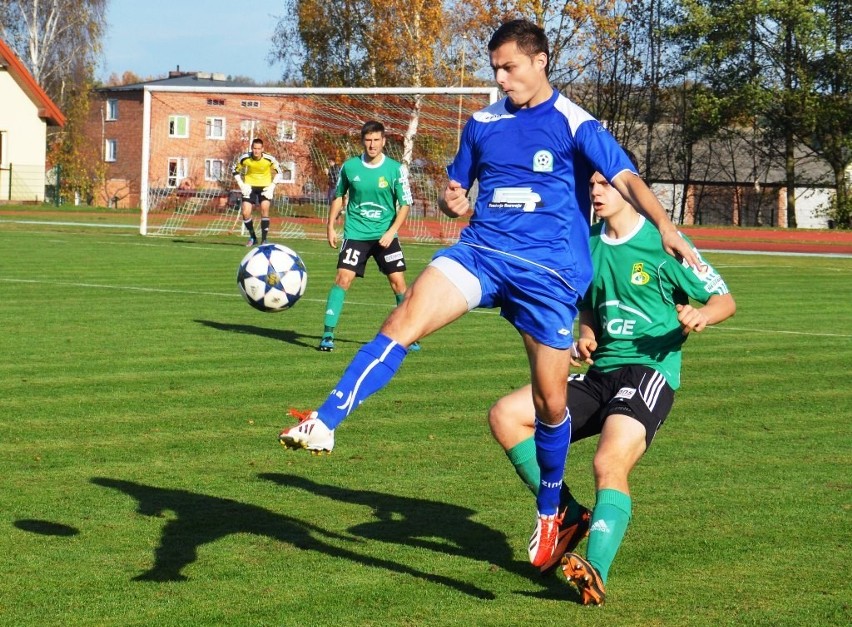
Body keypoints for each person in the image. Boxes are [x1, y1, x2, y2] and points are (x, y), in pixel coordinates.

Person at [278, 18, 700, 571]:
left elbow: (625, 177)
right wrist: (454, 201)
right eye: (495, 68)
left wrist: (664, 225)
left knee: (551, 407)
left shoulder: (574, 122)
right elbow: (459, 189)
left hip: (548, 277)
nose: (500, 78)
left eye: (510, 67)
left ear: (540, 61)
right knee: (403, 318)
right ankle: (326, 420)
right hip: (480, 253)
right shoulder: (480, 124)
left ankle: (553, 510)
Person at [488, 168, 736, 604]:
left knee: (608, 463)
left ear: (630, 188)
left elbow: (724, 299)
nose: (596, 192)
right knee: (507, 415)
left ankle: (595, 571)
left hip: (649, 373)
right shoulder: (587, 246)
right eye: (591, 186)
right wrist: (585, 335)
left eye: (604, 184)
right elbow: (588, 308)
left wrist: (703, 315)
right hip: (600, 374)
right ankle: (565, 511)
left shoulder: (664, 244)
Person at [318, 121, 420, 353]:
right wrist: (331, 225)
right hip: (356, 233)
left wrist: (391, 232)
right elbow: (338, 195)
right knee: (343, 279)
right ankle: (327, 334)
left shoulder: (395, 169)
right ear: (363, 141)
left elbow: (405, 204)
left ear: (384, 142)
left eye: (376, 140)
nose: (372, 145)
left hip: (385, 235)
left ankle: (410, 335)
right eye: (368, 140)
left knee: (398, 284)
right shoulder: (350, 167)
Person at [232, 138, 282, 246]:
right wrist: (241, 185)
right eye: (254, 148)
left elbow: (280, 172)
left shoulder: (269, 159)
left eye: (259, 149)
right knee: (245, 212)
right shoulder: (245, 158)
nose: (256, 151)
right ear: (252, 148)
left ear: (262, 149)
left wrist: (272, 187)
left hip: (265, 187)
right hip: (250, 187)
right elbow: (234, 170)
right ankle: (253, 237)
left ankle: (264, 240)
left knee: (264, 209)